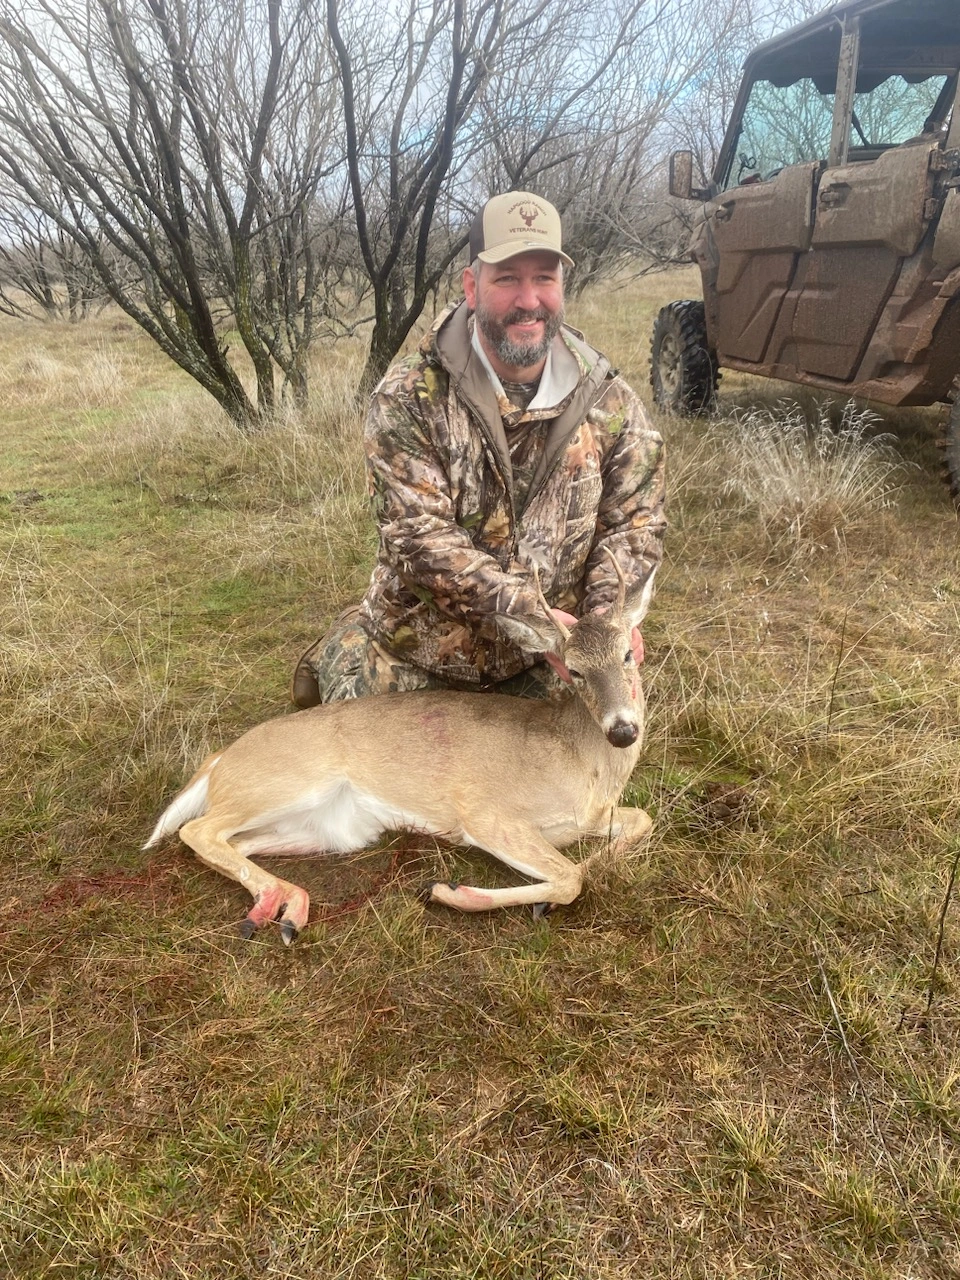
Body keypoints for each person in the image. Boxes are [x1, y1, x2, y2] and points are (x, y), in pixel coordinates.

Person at [292, 190, 666, 707]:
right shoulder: (409, 397)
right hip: (422, 651)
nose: (529, 300)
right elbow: (417, 537)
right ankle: (346, 647)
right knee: (372, 755)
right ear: (472, 286)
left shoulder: (611, 401)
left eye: (544, 278)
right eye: (507, 278)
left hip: (551, 657)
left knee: (601, 741)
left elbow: (635, 525)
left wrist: (603, 626)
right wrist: (526, 613)